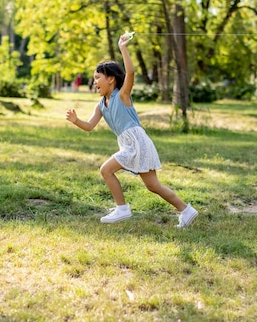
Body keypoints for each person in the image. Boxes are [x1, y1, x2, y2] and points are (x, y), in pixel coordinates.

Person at [65, 32, 198, 228]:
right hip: (128, 143)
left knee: (106, 170)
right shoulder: (101, 105)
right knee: (153, 185)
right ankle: (187, 210)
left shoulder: (122, 95)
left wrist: (123, 48)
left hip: (137, 141)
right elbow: (90, 126)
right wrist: (77, 121)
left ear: (111, 79)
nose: (94, 82)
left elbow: (131, 73)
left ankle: (123, 209)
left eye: (97, 78)